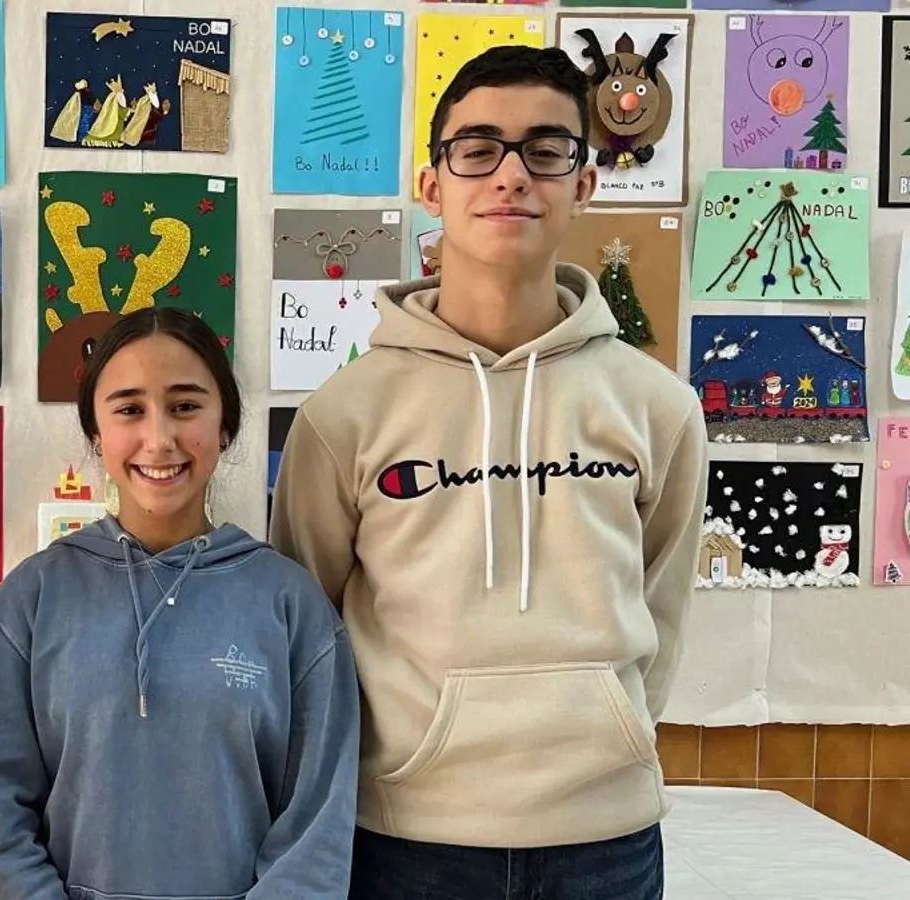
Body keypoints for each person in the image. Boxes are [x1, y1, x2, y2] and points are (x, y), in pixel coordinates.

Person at [270, 45, 708, 900]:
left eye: (545, 150)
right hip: (404, 842)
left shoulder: (658, 408)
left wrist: (613, 734)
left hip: (606, 844)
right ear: (432, 185)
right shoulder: (343, 415)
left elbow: (663, 605)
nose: (511, 175)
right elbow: (306, 629)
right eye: (478, 149)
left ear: (584, 184)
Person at [0, 307, 359, 899]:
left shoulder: (291, 605)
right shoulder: (30, 603)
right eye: (129, 410)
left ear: (225, 425)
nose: (160, 438)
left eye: (186, 406)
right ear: (96, 432)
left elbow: (317, 827)